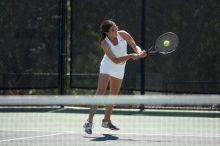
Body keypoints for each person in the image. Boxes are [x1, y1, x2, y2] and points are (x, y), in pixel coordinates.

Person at [83, 19, 147, 134]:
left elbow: (134, 45)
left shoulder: (123, 34)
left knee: (113, 95)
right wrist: (131, 56)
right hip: (108, 65)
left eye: (116, 27)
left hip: (119, 68)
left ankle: (106, 121)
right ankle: (89, 122)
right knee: (100, 91)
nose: (116, 30)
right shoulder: (104, 42)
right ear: (107, 33)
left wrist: (139, 52)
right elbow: (115, 60)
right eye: (113, 30)